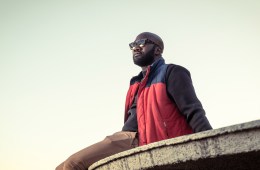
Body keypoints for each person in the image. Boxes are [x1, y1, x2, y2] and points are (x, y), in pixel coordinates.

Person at [55, 32, 212, 170]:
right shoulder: (136, 83)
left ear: (158, 50)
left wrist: (212, 144)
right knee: (60, 167)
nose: (136, 47)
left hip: (138, 139)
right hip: (126, 137)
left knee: (73, 164)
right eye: (133, 45)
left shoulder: (172, 72)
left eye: (142, 43)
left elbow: (193, 110)